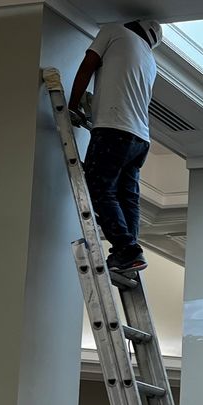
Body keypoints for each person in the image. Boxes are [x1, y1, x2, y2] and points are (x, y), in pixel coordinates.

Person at [69, 18, 163, 286]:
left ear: (135, 26)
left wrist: (73, 105)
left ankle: (127, 250)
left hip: (113, 128)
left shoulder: (114, 30)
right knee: (127, 197)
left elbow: (88, 65)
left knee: (99, 188)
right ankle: (128, 254)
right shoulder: (151, 61)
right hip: (140, 138)